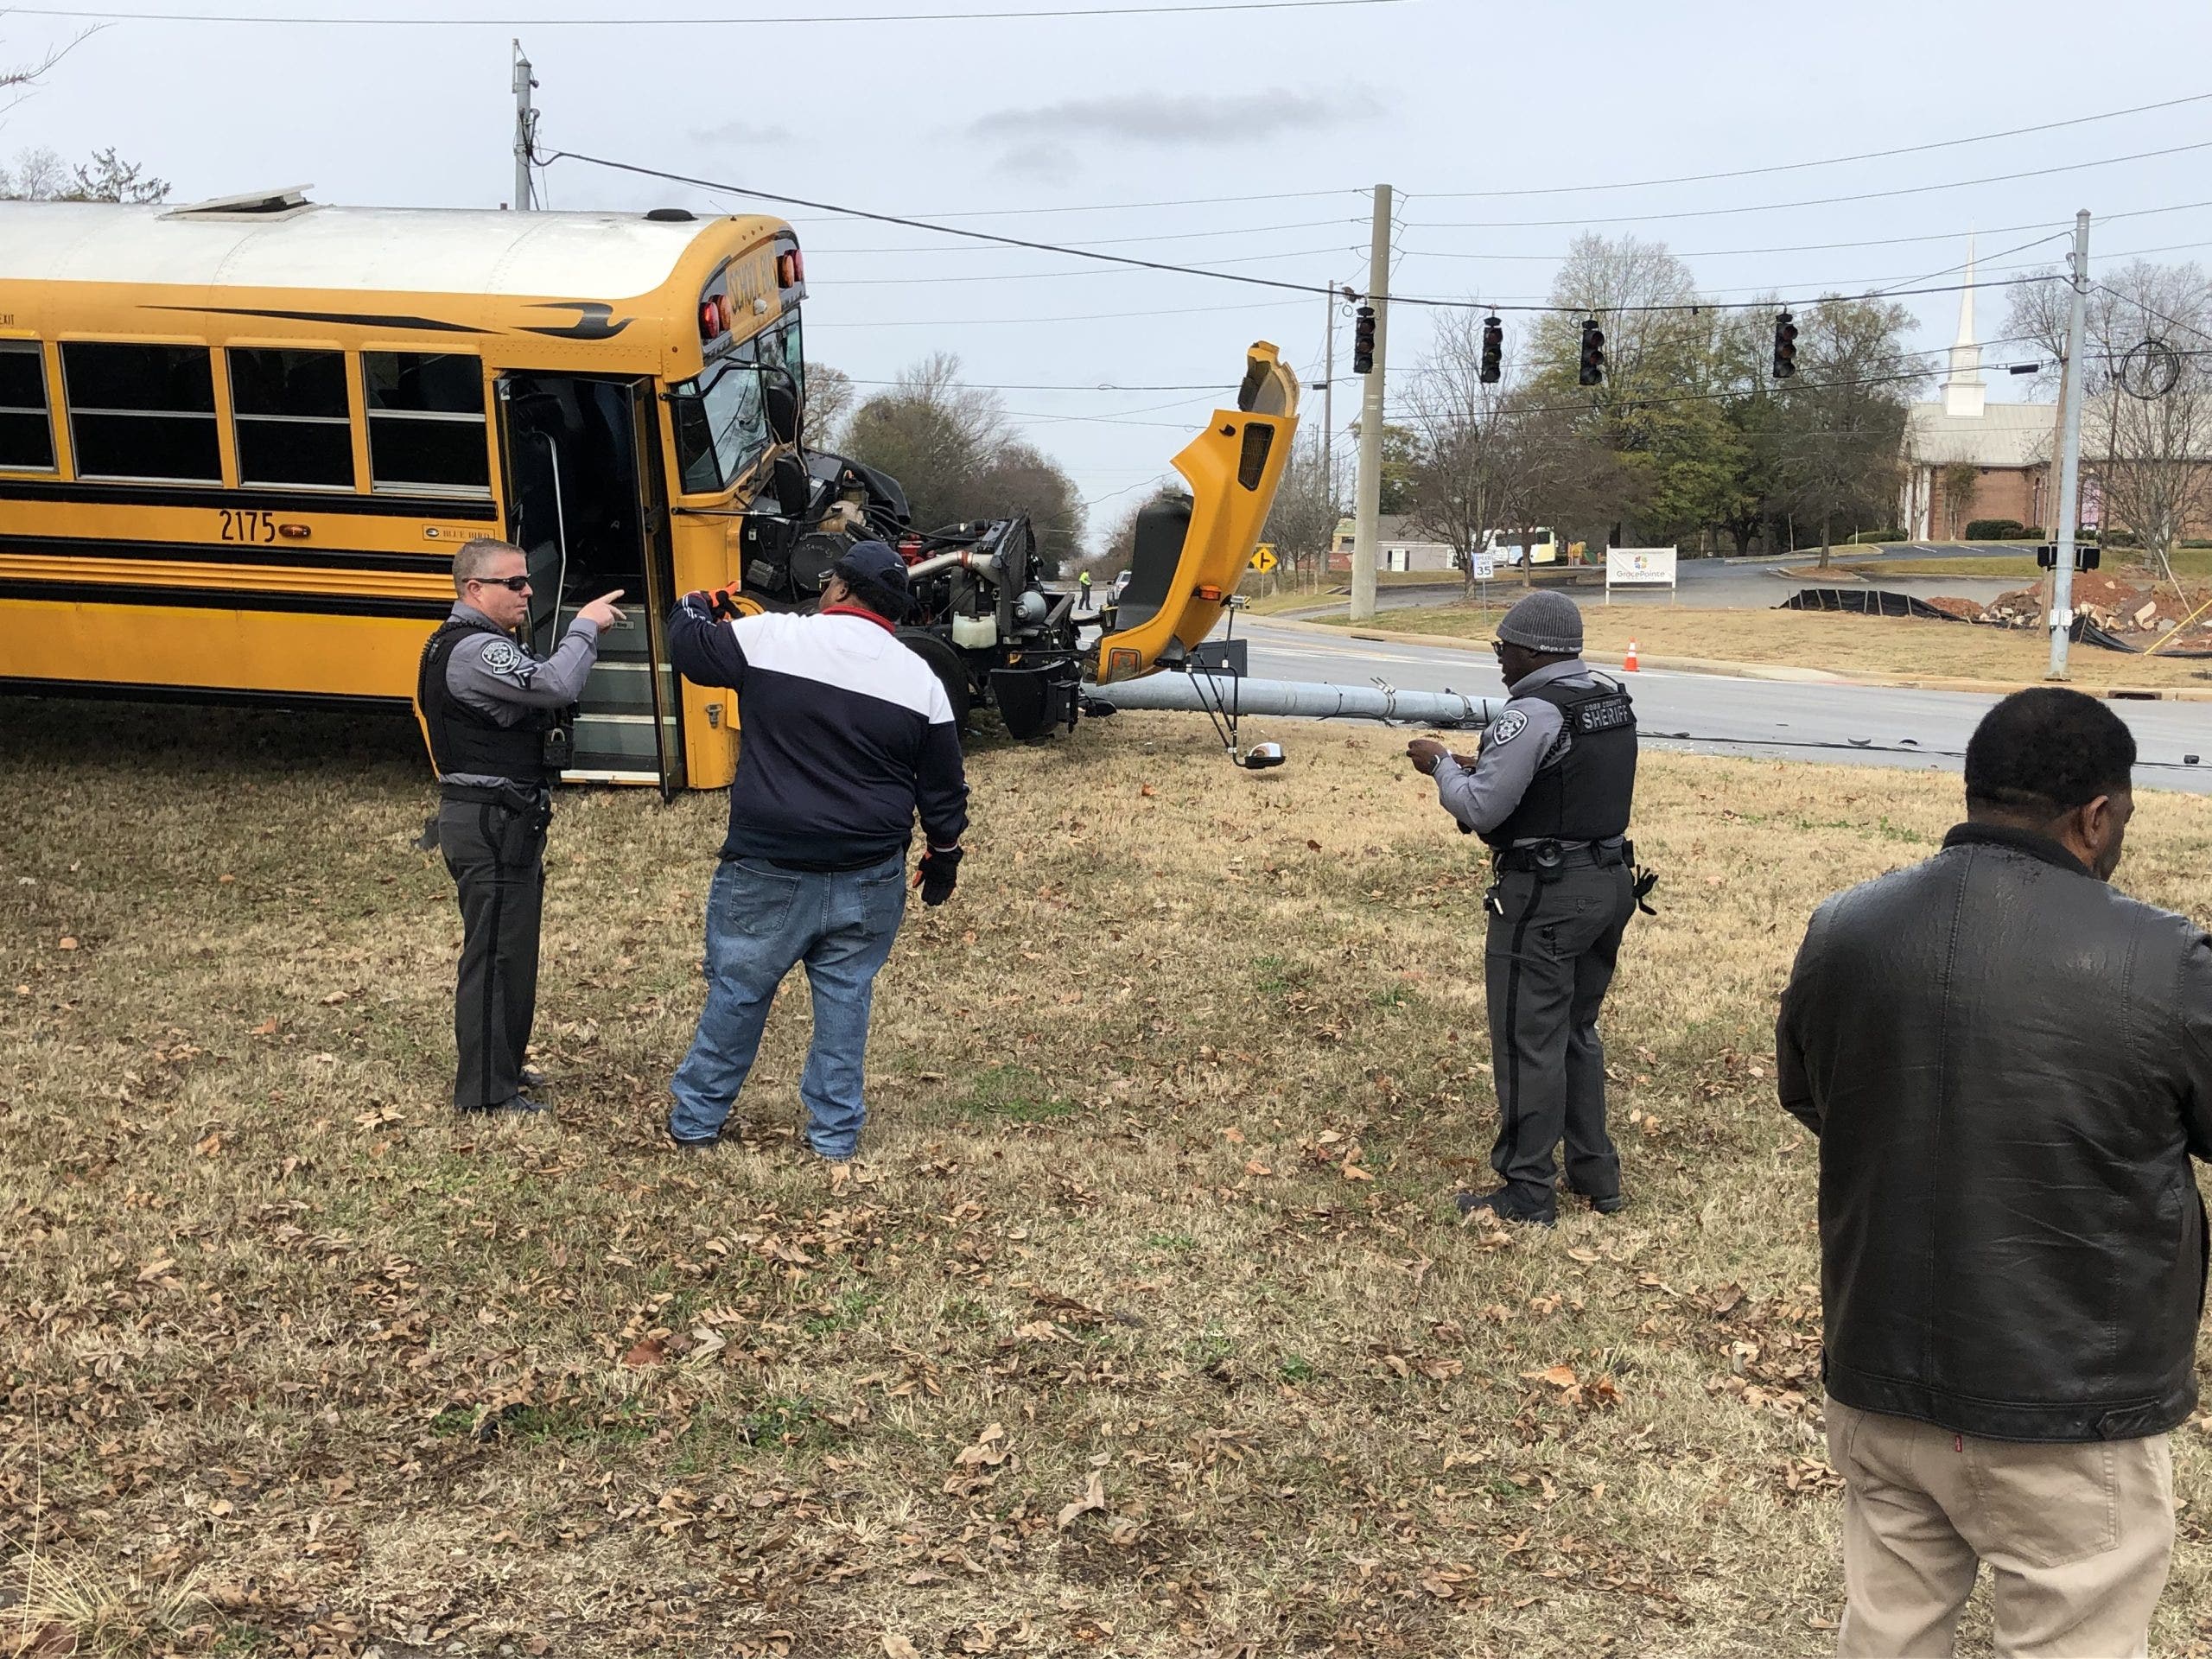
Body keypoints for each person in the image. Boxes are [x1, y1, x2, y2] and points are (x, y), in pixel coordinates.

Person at [1777, 687, 2212, 1659]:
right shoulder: (2164, 957)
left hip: (1878, 1368)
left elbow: (1813, 1096)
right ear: (2095, 817)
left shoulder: (1842, 928)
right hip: (2070, 1399)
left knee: (1887, 1631)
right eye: (2125, 819)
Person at [663, 541, 968, 1160]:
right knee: (845, 999)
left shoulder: (773, 639)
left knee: (739, 993)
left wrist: (695, 604)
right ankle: (834, 1136)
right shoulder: (920, 680)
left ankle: (696, 1123)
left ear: (839, 589)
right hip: (869, 874)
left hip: (769, 864)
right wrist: (944, 858)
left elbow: (689, 647)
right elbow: (943, 790)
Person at [1405, 589, 1641, 1226]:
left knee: (1526, 1040)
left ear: (1533, 649)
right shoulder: (1608, 700)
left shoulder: (1530, 711)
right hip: (1610, 880)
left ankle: (1526, 1190)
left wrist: (1438, 769)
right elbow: (1559, 786)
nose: (1500, 660)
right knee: (1576, 1032)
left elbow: (1482, 809)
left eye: (1503, 647)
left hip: (1545, 896)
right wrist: (1477, 770)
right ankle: (1598, 1176)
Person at [415, 537, 625, 1116]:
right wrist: (583, 627)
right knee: (496, 959)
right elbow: (554, 685)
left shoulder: (475, 645)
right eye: (515, 583)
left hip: (504, 818)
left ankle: (501, 1067)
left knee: (513, 952)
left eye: (527, 581)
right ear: (474, 589)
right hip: (490, 821)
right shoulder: (475, 650)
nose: (528, 592)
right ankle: (485, 1093)